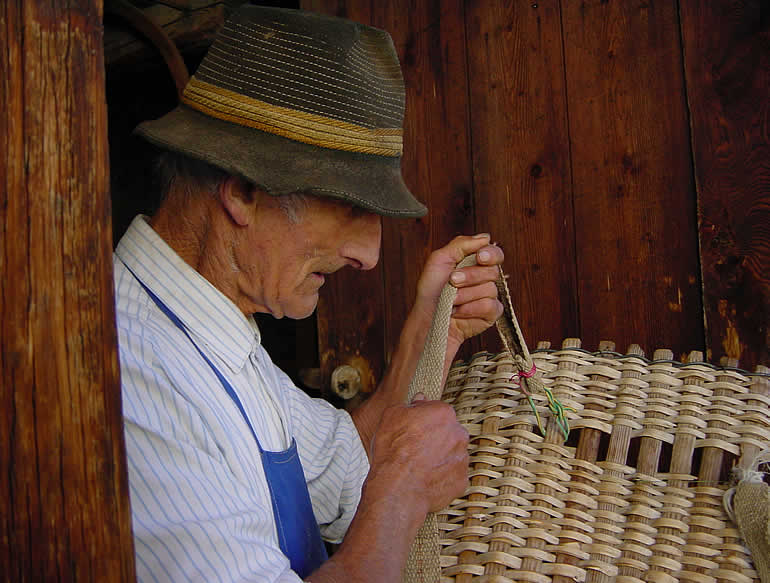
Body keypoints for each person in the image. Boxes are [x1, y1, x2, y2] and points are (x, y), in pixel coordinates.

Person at [114, 5, 504, 582]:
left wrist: (428, 336)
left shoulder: (210, 331)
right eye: (349, 208)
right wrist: (398, 498)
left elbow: (349, 467)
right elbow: (380, 486)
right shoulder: (135, 371)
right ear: (243, 192)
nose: (369, 255)